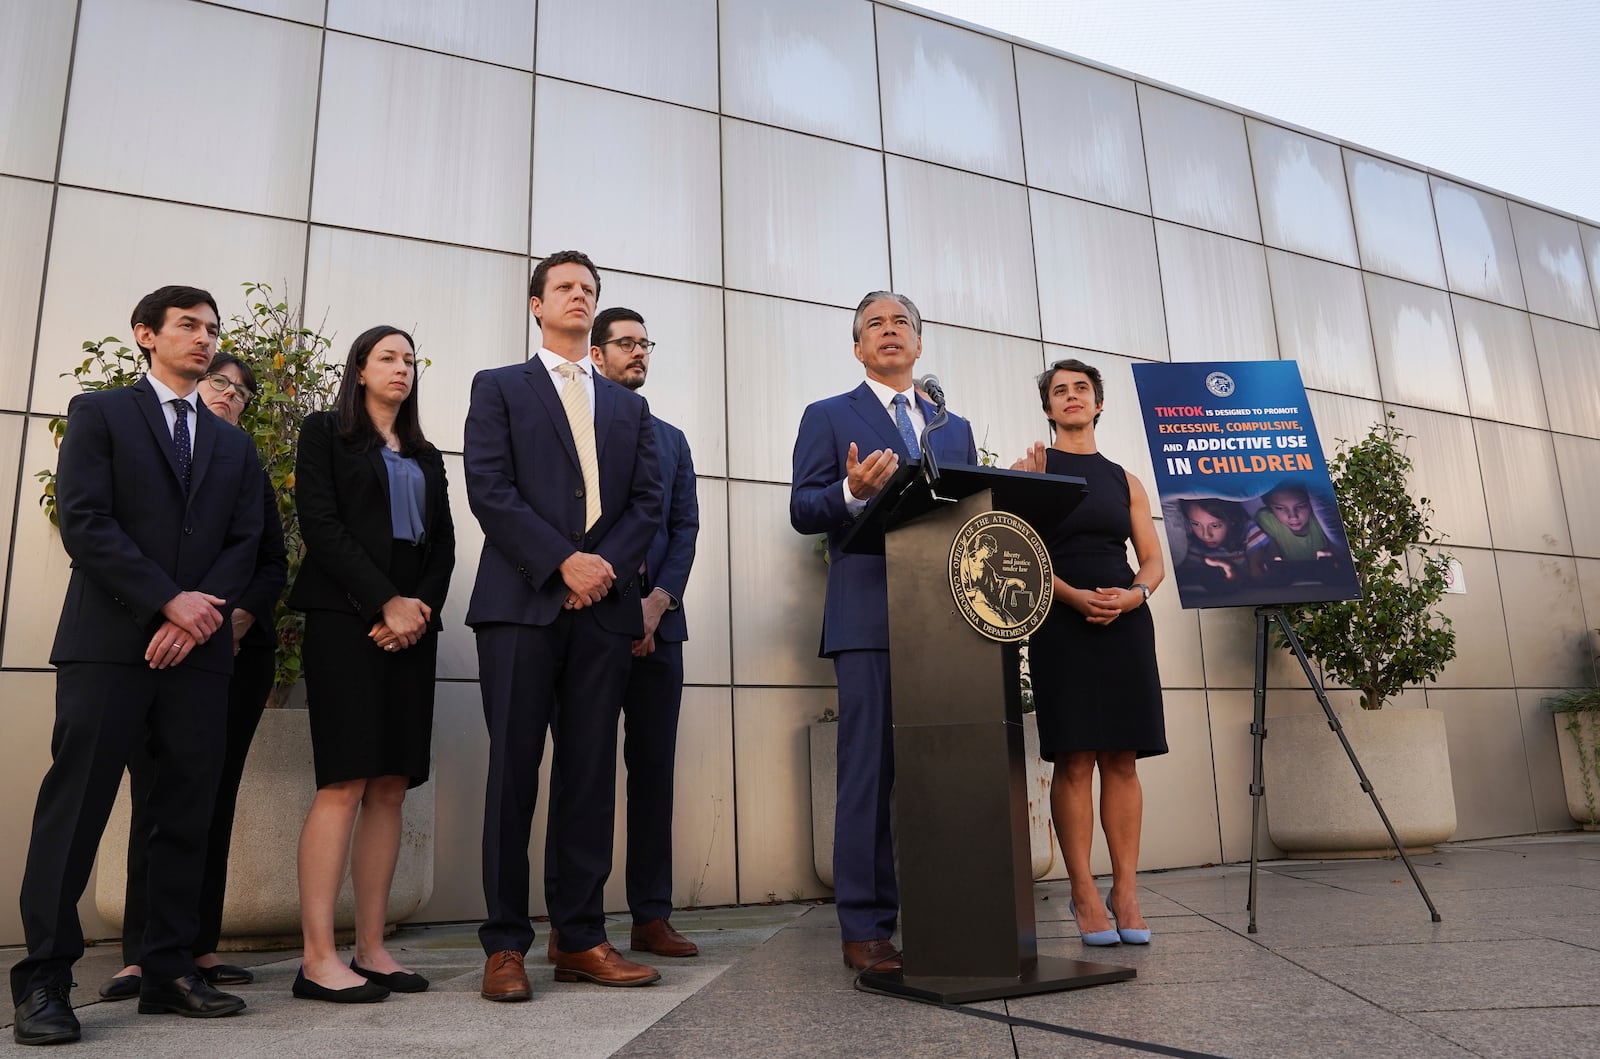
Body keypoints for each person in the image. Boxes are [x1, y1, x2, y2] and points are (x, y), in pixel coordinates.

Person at [11, 286, 263, 1045]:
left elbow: (245, 543)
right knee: (76, 809)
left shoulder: (234, 443)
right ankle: (46, 980)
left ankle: (169, 969)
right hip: (110, 646)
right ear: (145, 334)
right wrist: (166, 602)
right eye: (188, 325)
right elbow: (85, 520)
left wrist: (199, 611)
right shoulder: (101, 412)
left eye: (212, 328)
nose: (203, 338)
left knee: (185, 811)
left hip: (198, 656)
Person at [464, 252, 664, 999]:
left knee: (587, 778)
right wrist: (561, 563)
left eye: (590, 289)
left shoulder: (628, 406)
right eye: (566, 288)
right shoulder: (499, 388)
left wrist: (599, 568)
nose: (580, 296)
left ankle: (579, 936)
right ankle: (505, 945)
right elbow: (488, 486)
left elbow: (647, 502)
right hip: (519, 606)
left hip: (603, 614)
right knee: (514, 774)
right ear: (536, 305)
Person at [790, 291, 977, 973]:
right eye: (876, 324)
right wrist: (849, 495)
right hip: (868, 616)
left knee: (942, 771)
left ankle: (945, 908)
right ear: (858, 346)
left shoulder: (950, 424)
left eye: (901, 323)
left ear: (919, 345)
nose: (890, 331)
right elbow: (803, 508)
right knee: (867, 773)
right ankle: (866, 926)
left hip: (946, 620)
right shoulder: (829, 415)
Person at [101, 353, 288, 1002]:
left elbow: (269, 561)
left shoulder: (242, 463)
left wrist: (233, 617)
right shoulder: (146, 448)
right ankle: (139, 952)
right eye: (220, 383)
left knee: (210, 795)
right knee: (152, 794)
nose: (230, 396)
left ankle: (193, 945)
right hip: (149, 645)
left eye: (241, 392)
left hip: (230, 652)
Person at [287, 326, 456, 1003]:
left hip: (412, 627)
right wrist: (382, 602)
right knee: (345, 781)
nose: (401, 368)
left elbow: (443, 546)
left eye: (410, 359)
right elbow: (320, 525)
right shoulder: (325, 431)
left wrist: (417, 610)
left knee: (391, 783)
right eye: (387, 357)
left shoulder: (426, 452)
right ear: (358, 369)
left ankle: (373, 946)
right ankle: (317, 957)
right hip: (345, 620)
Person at [543, 308, 701, 962]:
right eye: (626, 343)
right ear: (597, 355)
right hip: (590, 621)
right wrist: (620, 602)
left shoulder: (671, 438)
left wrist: (657, 603)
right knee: (584, 771)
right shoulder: (576, 433)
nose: (638, 352)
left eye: (645, 342)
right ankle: (573, 923)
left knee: (654, 773)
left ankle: (651, 916)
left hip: (659, 628)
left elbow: (684, 528)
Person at [1013, 358, 1166, 947]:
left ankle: (1125, 890)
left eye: (1082, 389)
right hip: (1060, 618)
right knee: (1074, 758)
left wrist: (1133, 596)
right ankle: (1082, 890)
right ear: (1048, 408)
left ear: (1098, 403)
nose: (1072, 397)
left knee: (1122, 759)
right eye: (1060, 391)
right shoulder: (1032, 469)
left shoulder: (1125, 479)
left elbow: (1151, 558)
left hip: (1125, 621)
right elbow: (1014, 549)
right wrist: (1074, 597)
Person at [1175, 497, 1253, 595]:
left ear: (1231, 521)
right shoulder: (1184, 541)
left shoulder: (1245, 537)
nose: (1206, 535)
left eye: (1215, 526)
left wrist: (1236, 575)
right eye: (1196, 524)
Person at [1254, 479, 1335, 561]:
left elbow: (1337, 550)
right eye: (1280, 508)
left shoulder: (1322, 518)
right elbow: (1273, 555)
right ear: (1269, 506)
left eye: (1301, 506)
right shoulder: (1267, 520)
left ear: (1312, 503)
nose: (1293, 517)